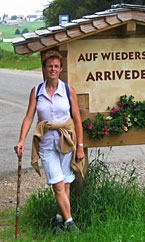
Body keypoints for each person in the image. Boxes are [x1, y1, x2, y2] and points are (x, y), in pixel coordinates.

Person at [14, 50, 85, 234]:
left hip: (66, 142)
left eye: (56, 66)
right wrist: (21, 140)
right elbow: (29, 117)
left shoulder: (69, 91)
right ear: (44, 69)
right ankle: (71, 223)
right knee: (58, 184)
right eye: (49, 66)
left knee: (66, 183)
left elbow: (77, 120)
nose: (53, 69)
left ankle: (59, 221)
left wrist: (80, 147)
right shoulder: (36, 91)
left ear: (60, 69)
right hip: (46, 144)